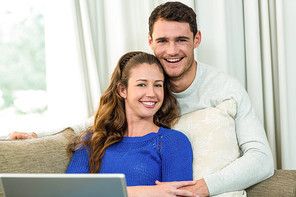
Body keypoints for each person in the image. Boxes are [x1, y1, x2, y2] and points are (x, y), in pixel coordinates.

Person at [8, 1, 274, 196]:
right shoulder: (101, 132)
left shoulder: (224, 89)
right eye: (163, 41)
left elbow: (261, 159)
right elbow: (96, 123)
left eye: (181, 40)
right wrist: (39, 133)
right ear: (150, 42)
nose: (171, 51)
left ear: (197, 39)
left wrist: (204, 186)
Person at [66, 51, 196, 197]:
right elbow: (70, 192)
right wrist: (146, 192)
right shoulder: (93, 141)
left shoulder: (173, 141)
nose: (152, 93)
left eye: (158, 85)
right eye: (142, 84)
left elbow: (177, 194)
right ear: (122, 90)